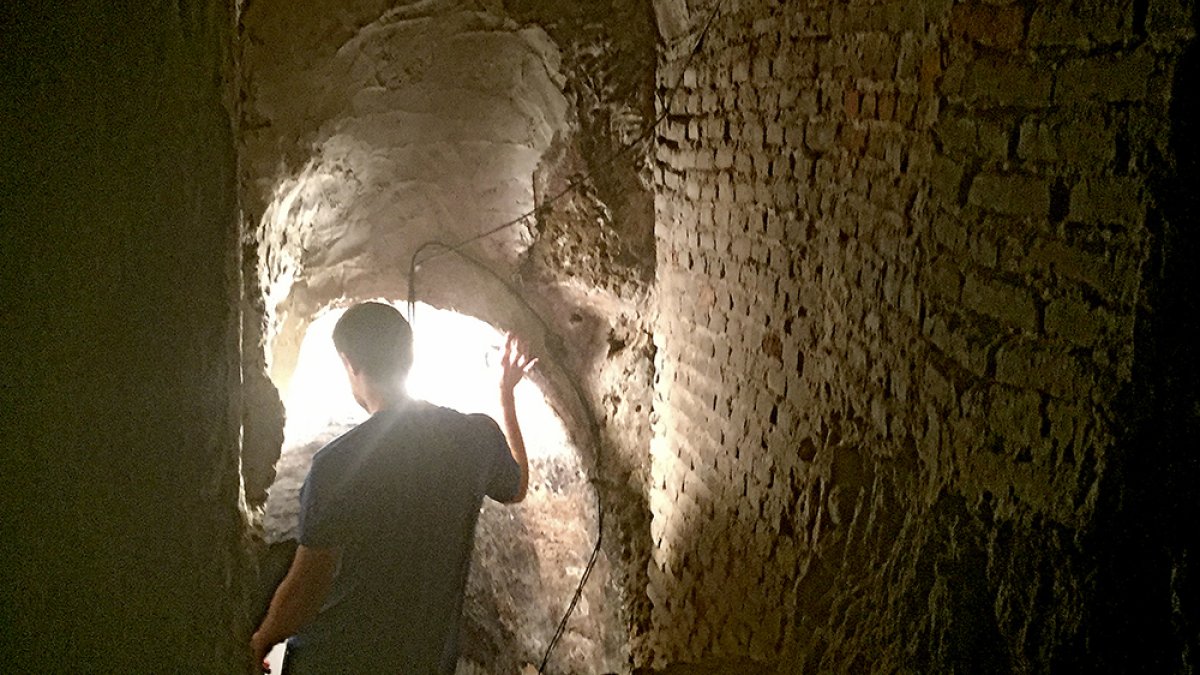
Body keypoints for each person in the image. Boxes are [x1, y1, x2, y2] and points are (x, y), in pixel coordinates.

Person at [250, 301, 535, 673]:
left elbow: (307, 587)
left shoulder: (337, 463)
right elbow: (517, 487)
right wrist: (506, 396)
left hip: (336, 661)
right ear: (410, 356)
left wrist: (260, 641)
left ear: (350, 364)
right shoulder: (475, 438)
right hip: (422, 661)